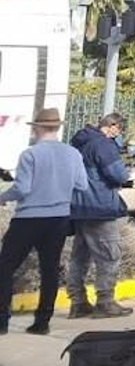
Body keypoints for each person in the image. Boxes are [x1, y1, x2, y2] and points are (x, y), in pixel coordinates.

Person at [0, 108, 89, 335]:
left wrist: (3, 197)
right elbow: (82, 185)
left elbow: (22, 188)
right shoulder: (73, 154)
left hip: (28, 218)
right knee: (49, 269)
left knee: (5, 267)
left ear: (37, 128)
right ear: (57, 128)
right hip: (59, 218)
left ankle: (1, 321)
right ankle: (42, 322)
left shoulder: (30, 155)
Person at [66, 113, 133, 320]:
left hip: (79, 207)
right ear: (112, 126)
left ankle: (78, 303)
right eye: (119, 129)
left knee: (80, 257)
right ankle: (105, 302)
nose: (118, 134)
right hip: (99, 206)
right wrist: (125, 177)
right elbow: (117, 174)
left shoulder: (79, 143)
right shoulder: (103, 145)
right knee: (109, 255)